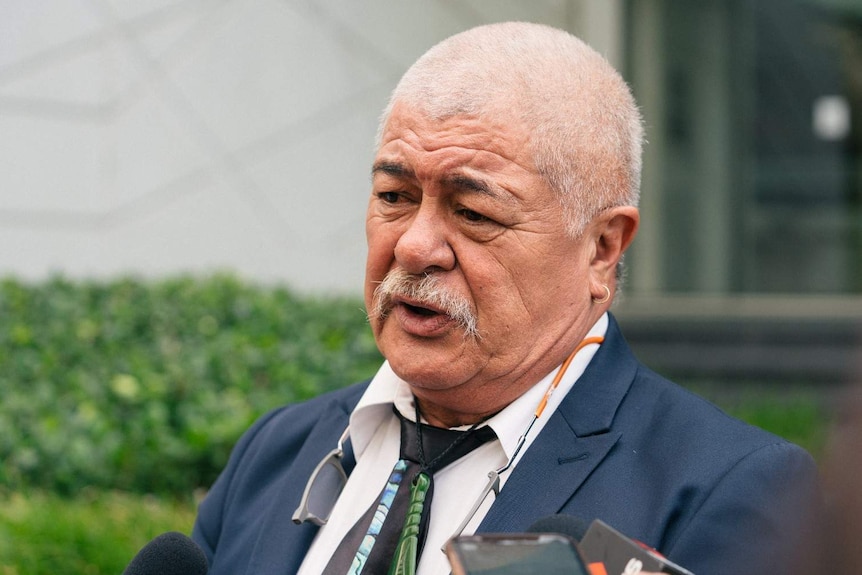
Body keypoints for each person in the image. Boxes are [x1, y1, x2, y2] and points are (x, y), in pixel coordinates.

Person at [191, 22, 819, 575]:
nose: (414, 247)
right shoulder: (277, 451)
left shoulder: (729, 491)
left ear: (601, 248)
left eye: (472, 212)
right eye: (394, 197)